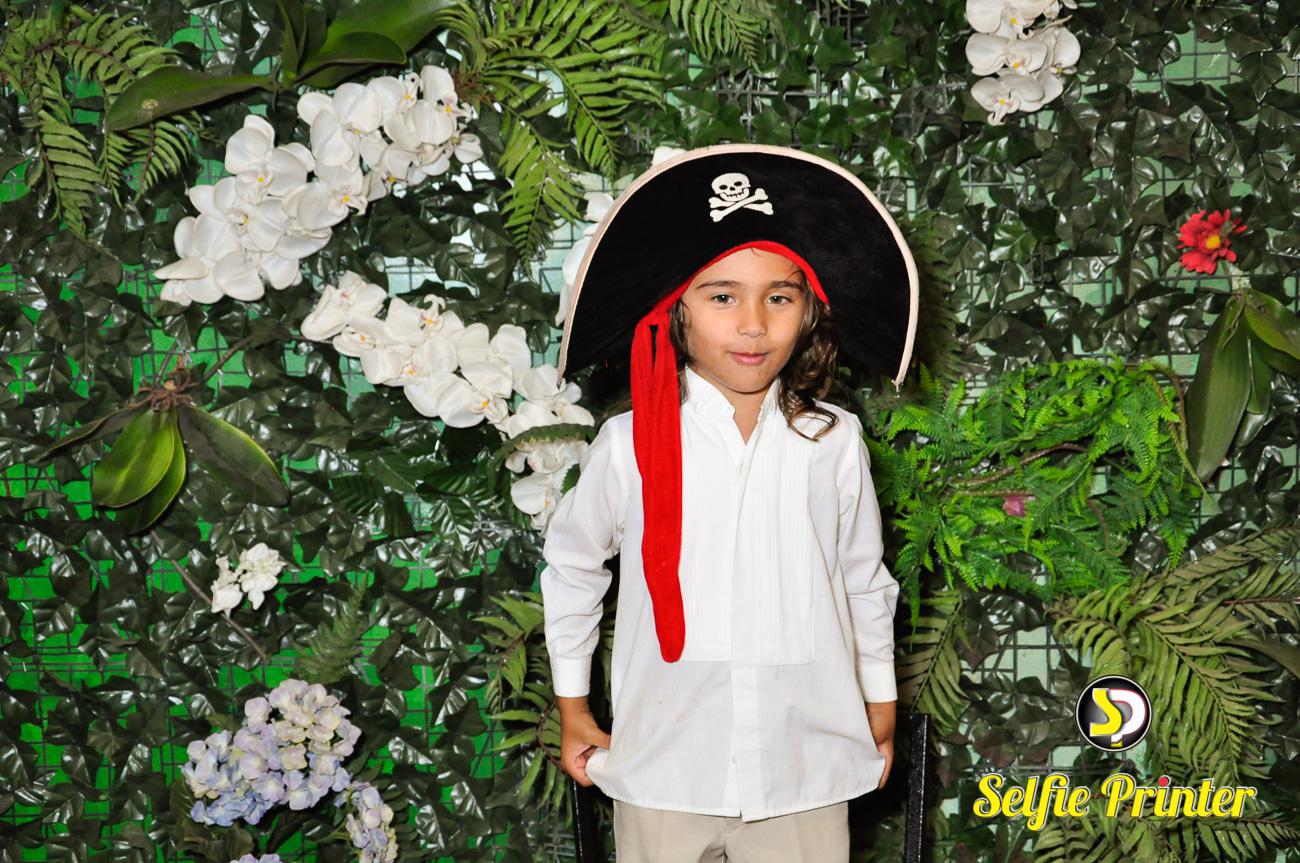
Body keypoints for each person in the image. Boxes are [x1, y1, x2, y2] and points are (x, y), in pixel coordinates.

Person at [539, 143, 919, 863]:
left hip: (804, 764)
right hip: (665, 764)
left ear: (809, 310)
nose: (753, 324)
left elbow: (862, 580)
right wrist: (573, 704)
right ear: (674, 310)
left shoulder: (833, 440)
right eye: (722, 296)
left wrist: (879, 701)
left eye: (779, 296)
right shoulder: (627, 445)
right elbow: (573, 566)